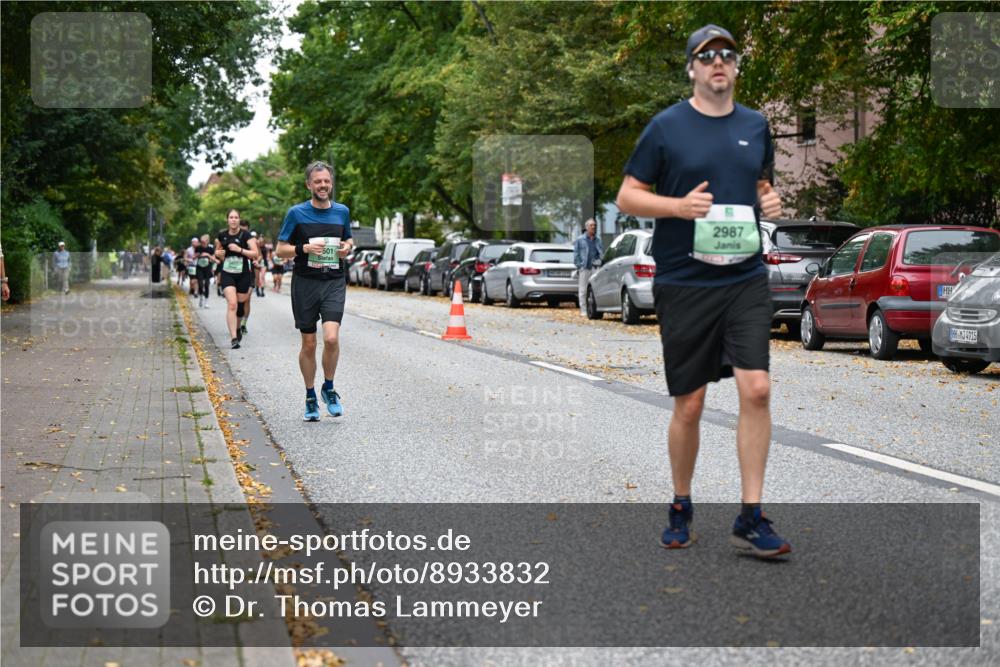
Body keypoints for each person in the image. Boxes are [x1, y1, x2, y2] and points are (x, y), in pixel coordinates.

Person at [616, 24, 789, 559]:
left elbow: (758, 184)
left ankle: (751, 515)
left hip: (744, 277)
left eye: (728, 55)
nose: (719, 62)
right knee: (690, 404)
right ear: (692, 68)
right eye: (706, 55)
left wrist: (771, 200)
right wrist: (676, 207)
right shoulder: (667, 128)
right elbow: (627, 196)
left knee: (756, 388)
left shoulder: (757, 126)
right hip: (685, 280)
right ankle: (681, 503)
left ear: (736, 67)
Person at [275, 160, 353, 421]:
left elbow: (349, 239)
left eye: (326, 181)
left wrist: (347, 248)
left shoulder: (342, 211)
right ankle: (310, 396)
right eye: (317, 181)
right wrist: (303, 249)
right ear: (309, 184)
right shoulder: (296, 213)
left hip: (333, 280)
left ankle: (328, 388)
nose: (323, 185)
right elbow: (280, 249)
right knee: (309, 343)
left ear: (331, 183)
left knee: (331, 338)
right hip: (305, 283)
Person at [215, 209, 259, 349]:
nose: (233, 220)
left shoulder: (246, 235)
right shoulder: (222, 235)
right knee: (232, 304)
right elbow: (217, 252)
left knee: (240, 305)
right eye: (231, 217)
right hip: (227, 273)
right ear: (227, 220)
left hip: (243, 274)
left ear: (239, 220)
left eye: (236, 217)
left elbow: (255, 253)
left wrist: (240, 250)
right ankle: (234, 338)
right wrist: (218, 253)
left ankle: (239, 327)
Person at [573, 218, 603, 315]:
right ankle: (583, 310)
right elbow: (576, 254)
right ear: (586, 227)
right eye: (591, 225)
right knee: (583, 290)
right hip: (584, 268)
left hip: (595, 268)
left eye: (594, 225)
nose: (593, 227)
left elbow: (601, 253)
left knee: (595, 289)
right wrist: (580, 266)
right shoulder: (580, 239)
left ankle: (594, 309)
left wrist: (600, 262)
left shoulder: (598, 240)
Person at [195, 234, 215, 308]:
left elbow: (213, 259)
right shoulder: (198, 248)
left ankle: (206, 301)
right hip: (200, 267)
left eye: (204, 242)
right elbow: (194, 256)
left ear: (207, 241)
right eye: (201, 242)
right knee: (200, 283)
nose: (202, 243)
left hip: (207, 268)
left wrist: (208, 255)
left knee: (206, 284)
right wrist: (198, 255)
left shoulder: (210, 248)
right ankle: (201, 297)